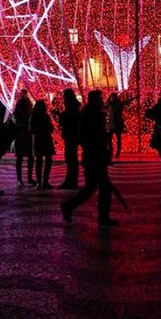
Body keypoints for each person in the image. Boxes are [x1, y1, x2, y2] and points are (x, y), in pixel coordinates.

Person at [60, 89, 118, 227]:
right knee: (100, 186)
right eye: (100, 99)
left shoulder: (92, 113)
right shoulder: (90, 115)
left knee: (92, 187)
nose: (102, 101)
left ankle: (70, 206)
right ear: (94, 100)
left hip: (96, 155)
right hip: (94, 157)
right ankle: (102, 216)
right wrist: (95, 155)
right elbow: (89, 137)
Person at [29, 99, 56, 190]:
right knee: (46, 160)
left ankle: (40, 181)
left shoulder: (35, 116)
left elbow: (31, 129)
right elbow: (51, 127)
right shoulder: (45, 116)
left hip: (39, 140)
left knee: (40, 161)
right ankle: (43, 181)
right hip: (45, 139)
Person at [58, 87, 81, 189]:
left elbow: (68, 120)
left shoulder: (71, 107)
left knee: (71, 158)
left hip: (71, 135)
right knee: (71, 159)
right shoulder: (74, 106)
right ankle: (71, 181)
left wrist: (61, 116)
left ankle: (71, 181)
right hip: (72, 135)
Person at [13, 88, 36, 187]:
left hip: (25, 134)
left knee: (25, 157)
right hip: (23, 134)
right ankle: (22, 179)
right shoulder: (22, 107)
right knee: (22, 157)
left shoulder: (27, 106)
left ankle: (25, 178)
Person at [106, 92, 132, 159]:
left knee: (118, 139)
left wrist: (133, 98)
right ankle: (111, 152)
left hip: (117, 124)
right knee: (109, 139)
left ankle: (117, 153)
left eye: (113, 96)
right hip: (111, 124)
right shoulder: (109, 104)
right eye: (111, 96)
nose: (112, 98)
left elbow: (126, 102)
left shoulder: (118, 104)